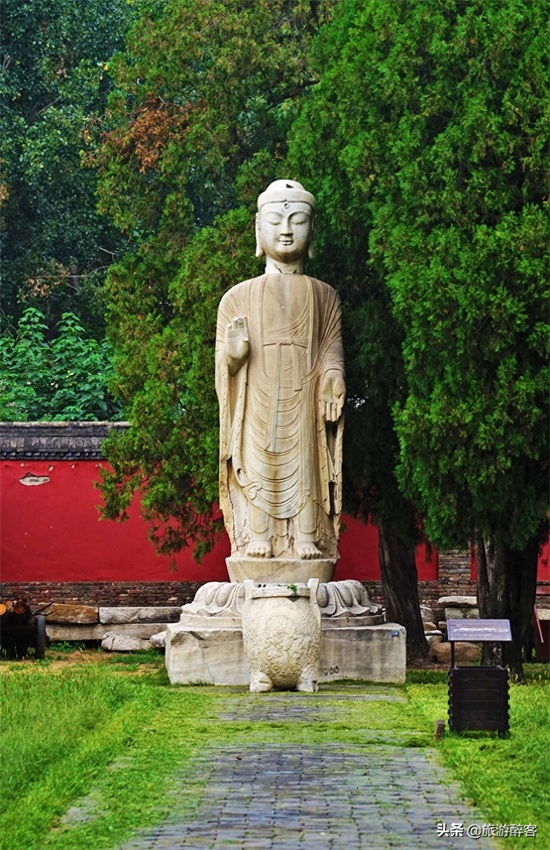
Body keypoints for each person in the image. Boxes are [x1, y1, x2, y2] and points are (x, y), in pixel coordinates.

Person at [215, 180, 345, 561]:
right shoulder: (236, 297)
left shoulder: (324, 296)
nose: (286, 230)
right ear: (258, 229)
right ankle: (258, 536)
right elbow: (223, 365)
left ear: (312, 230)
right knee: (257, 464)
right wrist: (233, 358)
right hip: (257, 397)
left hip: (303, 395)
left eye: (297, 221)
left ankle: (306, 537)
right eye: (275, 221)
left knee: (306, 468)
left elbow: (331, 348)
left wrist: (333, 376)